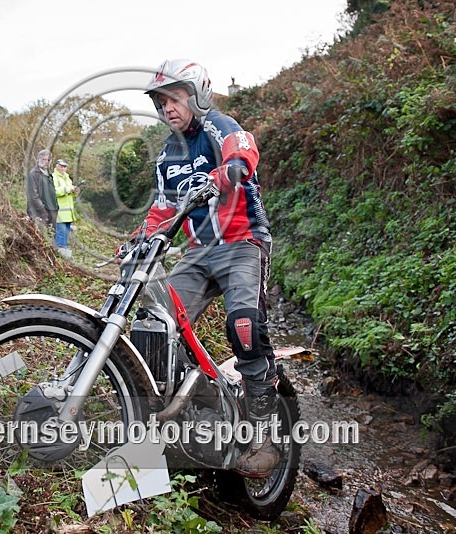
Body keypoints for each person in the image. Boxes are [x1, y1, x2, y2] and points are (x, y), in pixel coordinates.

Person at [139, 59, 279, 475]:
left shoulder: (218, 125)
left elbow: (243, 149)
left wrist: (229, 170)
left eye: (175, 99)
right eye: (161, 103)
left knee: (243, 325)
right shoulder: (168, 152)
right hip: (198, 252)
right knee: (157, 321)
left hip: (242, 243)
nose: (168, 109)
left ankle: (264, 433)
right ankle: (192, 404)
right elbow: (163, 207)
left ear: (197, 95)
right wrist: (140, 236)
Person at [26, 149, 58, 228]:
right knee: (42, 237)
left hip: (52, 211)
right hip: (39, 212)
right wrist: (42, 210)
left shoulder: (50, 175)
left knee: (52, 235)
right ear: (38, 160)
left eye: (48, 160)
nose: (46, 162)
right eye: (44, 159)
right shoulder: (33, 174)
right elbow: (33, 195)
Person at [52, 158, 77, 257]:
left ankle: (63, 256)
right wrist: (68, 189)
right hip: (59, 211)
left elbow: (70, 194)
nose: (63, 168)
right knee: (60, 233)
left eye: (65, 166)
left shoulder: (67, 178)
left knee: (65, 234)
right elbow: (55, 192)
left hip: (68, 212)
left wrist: (74, 191)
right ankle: (59, 255)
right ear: (56, 166)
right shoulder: (53, 177)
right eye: (61, 166)